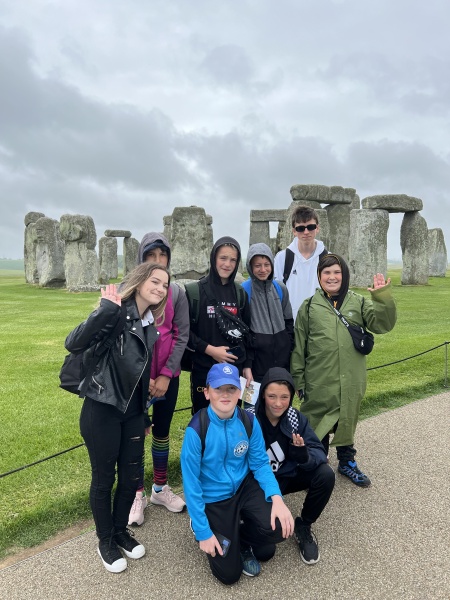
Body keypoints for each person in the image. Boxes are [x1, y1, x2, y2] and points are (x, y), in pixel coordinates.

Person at [65, 263, 170, 573]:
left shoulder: (149, 324)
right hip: (102, 408)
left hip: (133, 413)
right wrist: (104, 311)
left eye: (165, 285)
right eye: (155, 281)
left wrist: (144, 415)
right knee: (104, 479)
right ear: (139, 282)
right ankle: (106, 540)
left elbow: (139, 376)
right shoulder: (114, 312)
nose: (160, 288)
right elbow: (73, 342)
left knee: (130, 476)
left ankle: (120, 531)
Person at [180, 363, 294, 585]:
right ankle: (203, 524)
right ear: (207, 392)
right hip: (215, 497)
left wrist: (277, 498)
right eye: (218, 389)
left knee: (276, 535)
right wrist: (203, 532)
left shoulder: (248, 421)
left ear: (239, 392)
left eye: (231, 389)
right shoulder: (196, 430)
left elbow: (260, 464)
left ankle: (240, 535)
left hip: (244, 487)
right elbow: (191, 485)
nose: (225, 394)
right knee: (229, 575)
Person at [290, 254, 397, 487]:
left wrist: (381, 297)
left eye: (337, 272)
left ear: (344, 275)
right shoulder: (309, 307)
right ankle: (317, 465)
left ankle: (347, 462)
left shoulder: (358, 302)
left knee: (346, 419)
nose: (332, 277)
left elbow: (383, 324)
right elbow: (299, 346)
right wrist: (298, 379)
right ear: (319, 276)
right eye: (326, 272)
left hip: (350, 378)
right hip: (319, 379)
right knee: (317, 424)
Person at [128, 233, 189, 525]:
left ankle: (160, 488)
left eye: (162, 256)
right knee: (136, 434)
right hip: (137, 379)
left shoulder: (176, 293)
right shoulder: (130, 291)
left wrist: (165, 375)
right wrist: (144, 378)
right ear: (141, 259)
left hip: (168, 377)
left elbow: (181, 335)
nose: (157, 261)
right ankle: (137, 493)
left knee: (162, 432)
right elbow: (126, 340)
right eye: (151, 256)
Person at [246, 367, 335, 564]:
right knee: (264, 551)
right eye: (272, 396)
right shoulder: (248, 418)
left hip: (287, 476)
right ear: (262, 395)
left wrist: (303, 455)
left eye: (284, 397)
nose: (278, 403)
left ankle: (304, 525)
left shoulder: (295, 418)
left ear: (291, 396)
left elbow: (319, 451)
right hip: (258, 483)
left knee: (325, 475)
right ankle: (242, 520)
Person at [187, 236, 251, 413]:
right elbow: (184, 332)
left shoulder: (240, 293)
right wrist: (210, 350)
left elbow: (248, 334)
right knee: (204, 419)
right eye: (223, 258)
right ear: (214, 258)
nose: (227, 264)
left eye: (233, 260)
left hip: (234, 369)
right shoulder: (195, 291)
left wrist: (247, 366)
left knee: (233, 417)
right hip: (204, 368)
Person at [242, 243, 294, 383]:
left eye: (267, 264)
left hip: (282, 359)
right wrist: (247, 363)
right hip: (257, 362)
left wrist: (287, 346)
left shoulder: (280, 288)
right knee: (257, 397)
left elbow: (289, 322)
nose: (263, 270)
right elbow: (243, 332)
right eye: (257, 265)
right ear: (250, 267)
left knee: (280, 396)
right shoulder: (244, 291)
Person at [274, 205, 328, 319]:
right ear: (294, 231)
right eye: (300, 228)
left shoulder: (328, 258)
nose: (306, 232)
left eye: (311, 227)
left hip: (321, 322)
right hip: (291, 322)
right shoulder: (282, 258)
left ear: (317, 228)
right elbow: (276, 293)